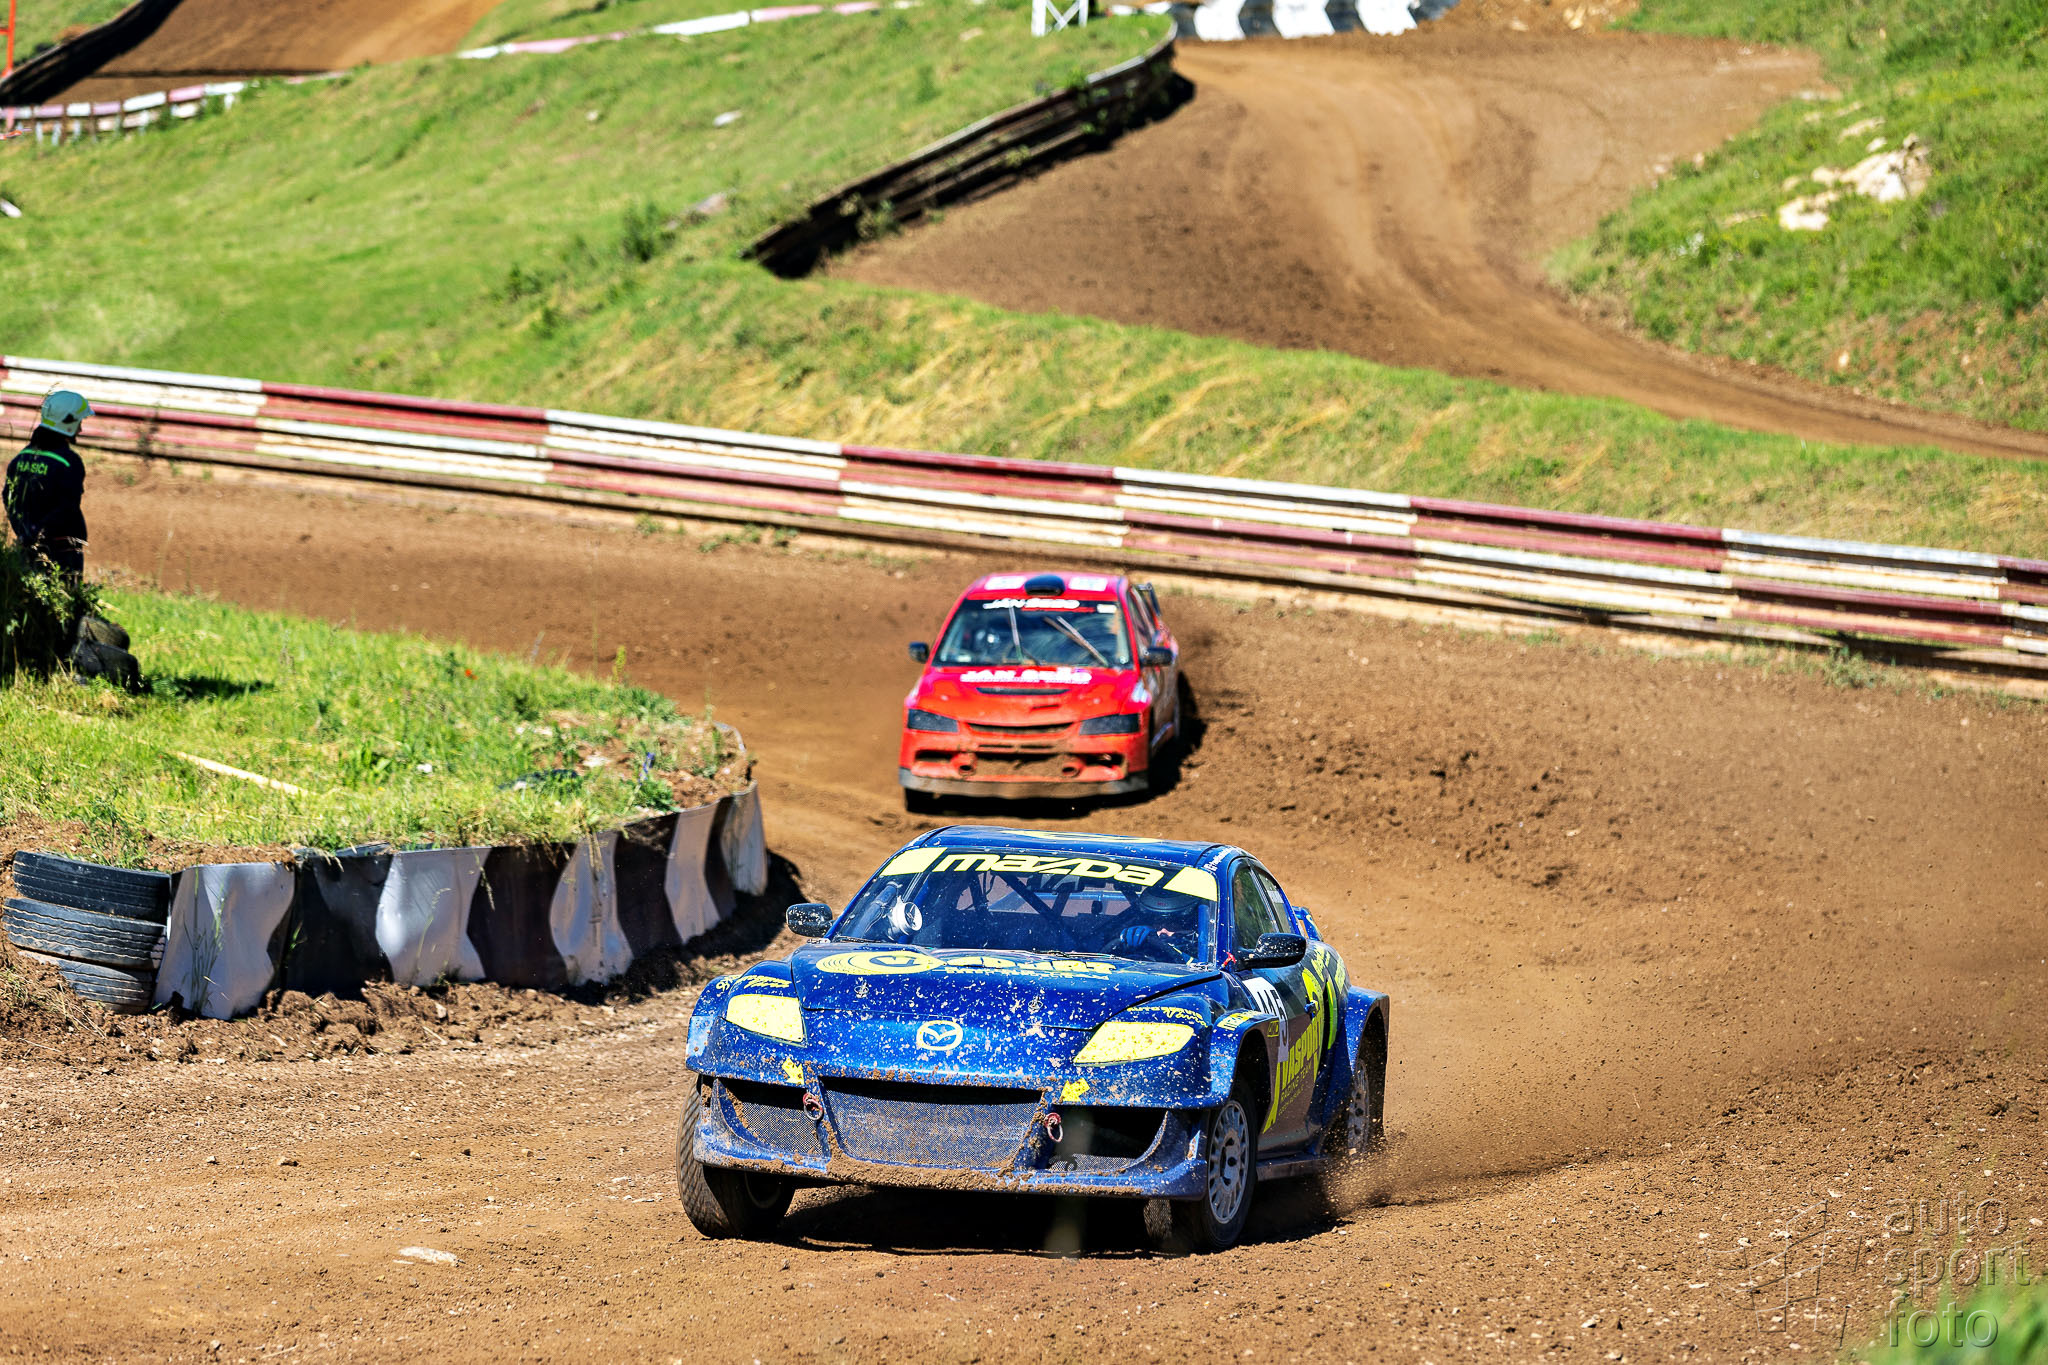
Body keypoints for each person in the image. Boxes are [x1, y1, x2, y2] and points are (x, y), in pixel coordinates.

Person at [5, 390, 94, 585]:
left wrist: (26, 533)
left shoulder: (20, 458)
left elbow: (8, 498)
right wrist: (40, 531)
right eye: (79, 422)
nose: (80, 429)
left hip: (26, 546)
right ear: (68, 422)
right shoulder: (69, 461)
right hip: (63, 551)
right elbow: (68, 507)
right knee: (65, 598)